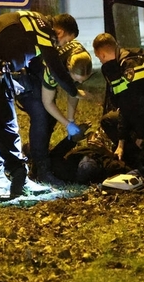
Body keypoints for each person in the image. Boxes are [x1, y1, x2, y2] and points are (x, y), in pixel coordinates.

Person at [0, 11, 84, 199]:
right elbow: (55, 67)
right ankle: (19, 177)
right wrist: (74, 90)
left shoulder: (33, 22)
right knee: (5, 120)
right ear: (59, 32)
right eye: (66, 41)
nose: (62, 45)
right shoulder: (44, 30)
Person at [16, 40, 93, 184]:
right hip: (28, 74)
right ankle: (41, 170)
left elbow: (73, 91)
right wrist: (66, 125)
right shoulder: (54, 68)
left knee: (50, 119)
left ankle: (37, 154)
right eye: (75, 78)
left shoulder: (81, 59)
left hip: (44, 71)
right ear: (68, 68)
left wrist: (70, 119)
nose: (78, 81)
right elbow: (47, 102)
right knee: (41, 116)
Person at [92, 33, 144, 175]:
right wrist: (121, 141)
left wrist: (140, 135)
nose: (101, 61)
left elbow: (142, 106)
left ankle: (143, 159)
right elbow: (125, 105)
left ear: (102, 54)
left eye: (99, 58)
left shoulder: (132, 66)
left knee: (123, 125)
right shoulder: (120, 65)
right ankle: (132, 157)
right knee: (109, 120)